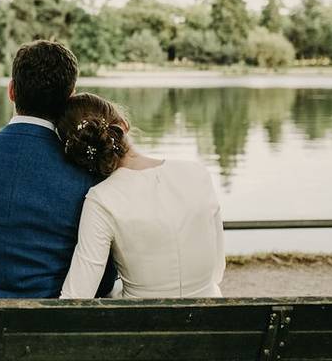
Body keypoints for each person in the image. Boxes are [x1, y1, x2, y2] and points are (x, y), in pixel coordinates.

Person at [0, 40, 116, 298]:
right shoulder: (89, 175)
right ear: (69, 97)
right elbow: (102, 276)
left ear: (11, 91)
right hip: (45, 329)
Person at [57, 92, 225, 299]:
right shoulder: (197, 173)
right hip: (213, 320)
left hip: (143, 326)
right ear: (124, 125)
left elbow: (77, 297)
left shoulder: (101, 200)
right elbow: (217, 268)